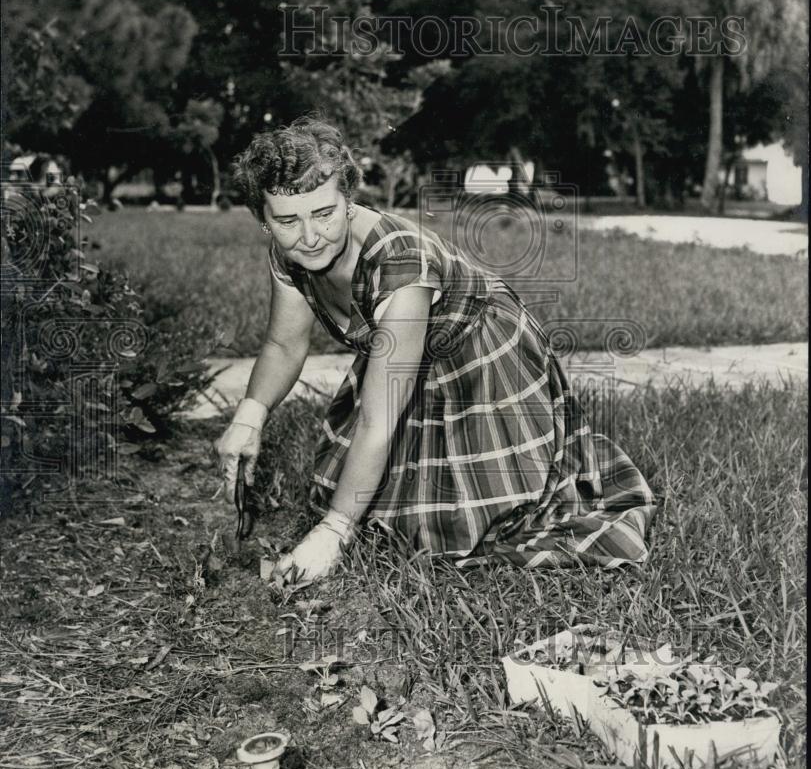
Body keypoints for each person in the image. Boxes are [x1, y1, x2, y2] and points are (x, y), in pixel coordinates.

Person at [215, 117, 655, 587]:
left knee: (472, 525)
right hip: (407, 352)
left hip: (480, 351)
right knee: (392, 514)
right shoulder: (291, 252)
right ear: (264, 220)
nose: (308, 235)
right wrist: (250, 415)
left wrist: (332, 533)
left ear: (349, 201)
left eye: (324, 213)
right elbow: (284, 343)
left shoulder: (400, 262)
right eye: (286, 221)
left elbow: (378, 422)